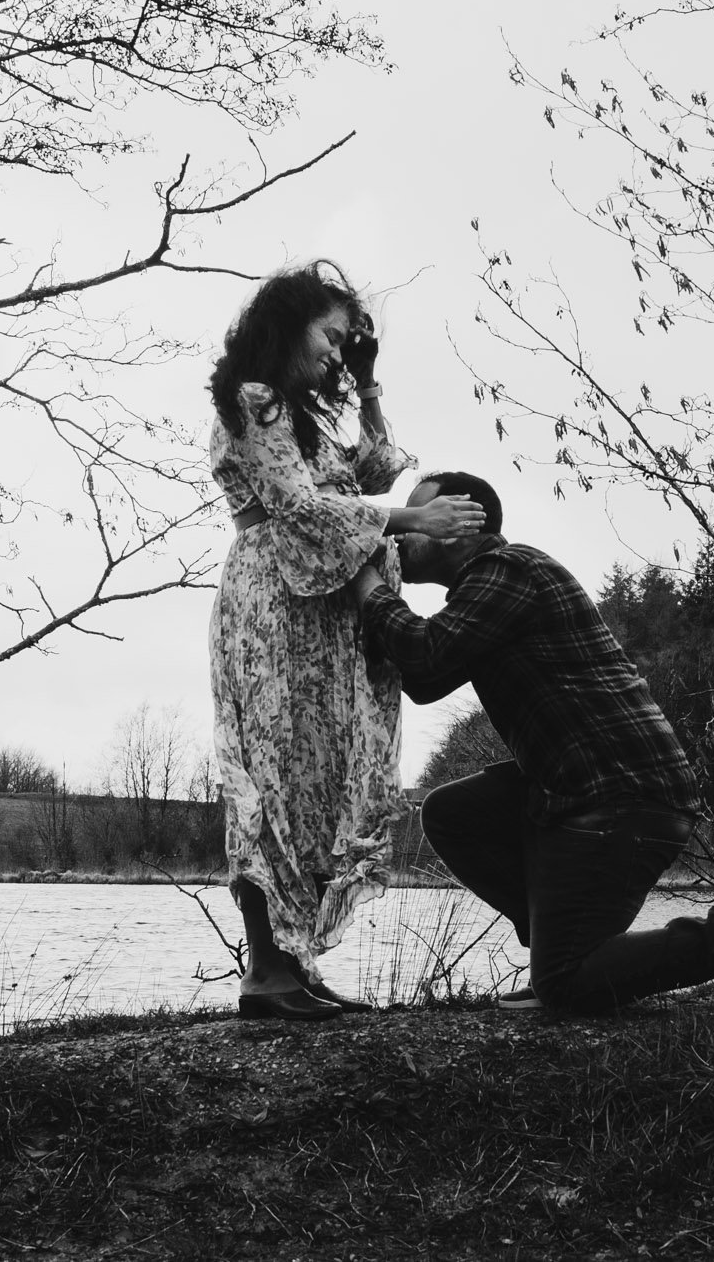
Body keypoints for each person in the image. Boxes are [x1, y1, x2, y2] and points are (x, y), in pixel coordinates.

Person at [354, 471, 714, 1014]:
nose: (401, 534)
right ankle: (558, 943)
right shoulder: (484, 593)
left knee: (566, 988)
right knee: (453, 813)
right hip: (583, 790)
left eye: (417, 518)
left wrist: (366, 587)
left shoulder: (509, 568)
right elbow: (426, 679)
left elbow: (424, 653)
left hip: (624, 794)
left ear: (461, 522)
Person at [207, 263, 489, 1020]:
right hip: (274, 603)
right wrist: (414, 522)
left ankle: (292, 964)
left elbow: (369, 469)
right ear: (288, 324)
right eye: (331, 337)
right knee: (269, 776)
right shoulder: (255, 400)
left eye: (345, 342)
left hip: (321, 610)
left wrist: (366, 383)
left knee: (319, 777)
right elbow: (300, 505)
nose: (337, 351)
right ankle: (266, 971)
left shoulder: (307, 415)